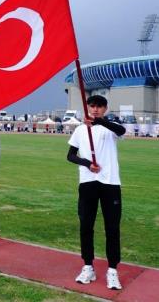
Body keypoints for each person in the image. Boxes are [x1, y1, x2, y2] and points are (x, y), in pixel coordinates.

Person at [68, 95, 125, 290]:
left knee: (112, 228)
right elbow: (70, 155)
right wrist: (87, 163)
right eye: (92, 106)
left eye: (99, 107)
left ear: (105, 109)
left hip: (110, 183)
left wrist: (99, 122)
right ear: (87, 108)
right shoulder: (80, 130)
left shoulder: (110, 127)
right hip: (88, 182)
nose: (95, 109)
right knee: (86, 225)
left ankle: (112, 270)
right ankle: (88, 266)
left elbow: (122, 130)